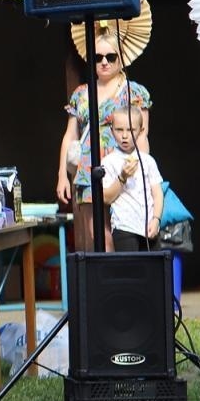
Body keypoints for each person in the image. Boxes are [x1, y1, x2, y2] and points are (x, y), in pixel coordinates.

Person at [56, 33, 151, 255]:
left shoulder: (134, 92)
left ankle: (126, 287)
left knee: (125, 235)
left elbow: (143, 135)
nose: (104, 62)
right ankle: (111, 287)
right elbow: (70, 134)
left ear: (121, 58)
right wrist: (62, 174)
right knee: (98, 237)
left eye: (110, 56)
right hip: (88, 170)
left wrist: (142, 171)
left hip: (123, 168)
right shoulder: (81, 94)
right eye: (98, 57)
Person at [100, 109, 164, 253]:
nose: (124, 135)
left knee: (153, 270)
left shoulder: (147, 160)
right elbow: (106, 198)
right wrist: (122, 177)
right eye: (119, 129)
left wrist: (156, 219)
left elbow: (157, 194)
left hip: (149, 226)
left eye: (130, 130)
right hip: (124, 227)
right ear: (111, 130)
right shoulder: (108, 162)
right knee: (131, 271)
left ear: (140, 131)